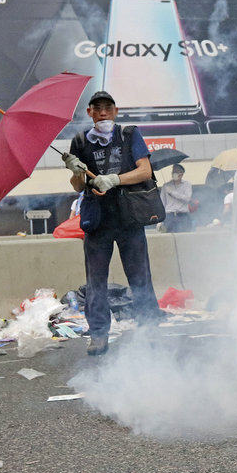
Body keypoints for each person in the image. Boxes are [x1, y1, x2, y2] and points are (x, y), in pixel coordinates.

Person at [62, 90, 164, 356]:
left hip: (129, 218)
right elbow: (77, 186)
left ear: (116, 111)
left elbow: (145, 170)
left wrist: (114, 179)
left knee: (140, 278)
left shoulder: (129, 135)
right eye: (97, 109)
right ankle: (98, 335)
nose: (103, 113)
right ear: (90, 113)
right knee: (96, 282)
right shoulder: (80, 141)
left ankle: (149, 329)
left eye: (108, 108)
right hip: (97, 221)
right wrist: (76, 171)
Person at [161, 163, 194, 233]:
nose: (174, 173)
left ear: (181, 174)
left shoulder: (187, 185)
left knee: (184, 237)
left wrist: (172, 193)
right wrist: (160, 219)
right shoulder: (166, 186)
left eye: (176, 172)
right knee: (170, 237)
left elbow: (187, 198)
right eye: (173, 171)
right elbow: (162, 203)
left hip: (183, 216)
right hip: (170, 216)